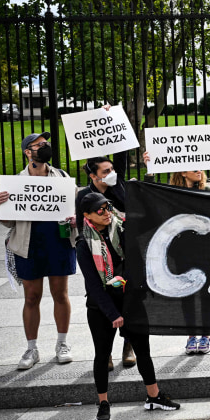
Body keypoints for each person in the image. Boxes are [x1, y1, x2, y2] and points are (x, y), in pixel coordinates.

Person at [76, 192, 180, 420]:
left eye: (107, 207)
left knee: (143, 350)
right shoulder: (84, 244)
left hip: (130, 300)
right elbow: (93, 284)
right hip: (101, 306)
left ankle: (154, 397)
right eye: (99, 210)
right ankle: (103, 403)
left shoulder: (121, 229)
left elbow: (148, 216)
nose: (106, 213)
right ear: (87, 215)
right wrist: (112, 313)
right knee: (102, 355)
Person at [0, 132, 78, 370]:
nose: (44, 147)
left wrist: (75, 218)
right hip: (29, 245)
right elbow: (9, 223)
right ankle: (31, 348)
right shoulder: (16, 182)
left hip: (59, 242)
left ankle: (62, 344)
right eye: (38, 145)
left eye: (46, 144)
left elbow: (76, 207)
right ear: (27, 152)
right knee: (31, 297)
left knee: (60, 294)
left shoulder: (62, 177)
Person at [142, 150, 210, 354]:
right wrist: (149, 171)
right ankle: (190, 336)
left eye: (201, 166)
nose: (198, 170)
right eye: (193, 166)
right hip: (182, 252)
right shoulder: (172, 195)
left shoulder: (207, 191)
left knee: (206, 293)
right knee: (186, 293)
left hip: (207, 250)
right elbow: (150, 197)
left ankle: (205, 335)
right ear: (182, 172)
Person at [76, 132, 135, 370]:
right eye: (105, 172)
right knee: (100, 299)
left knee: (128, 300)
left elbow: (122, 151)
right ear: (93, 176)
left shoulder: (118, 186)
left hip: (123, 251)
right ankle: (105, 351)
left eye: (112, 169)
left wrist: (113, 119)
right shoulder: (84, 196)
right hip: (100, 256)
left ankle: (128, 345)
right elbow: (83, 227)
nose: (110, 174)